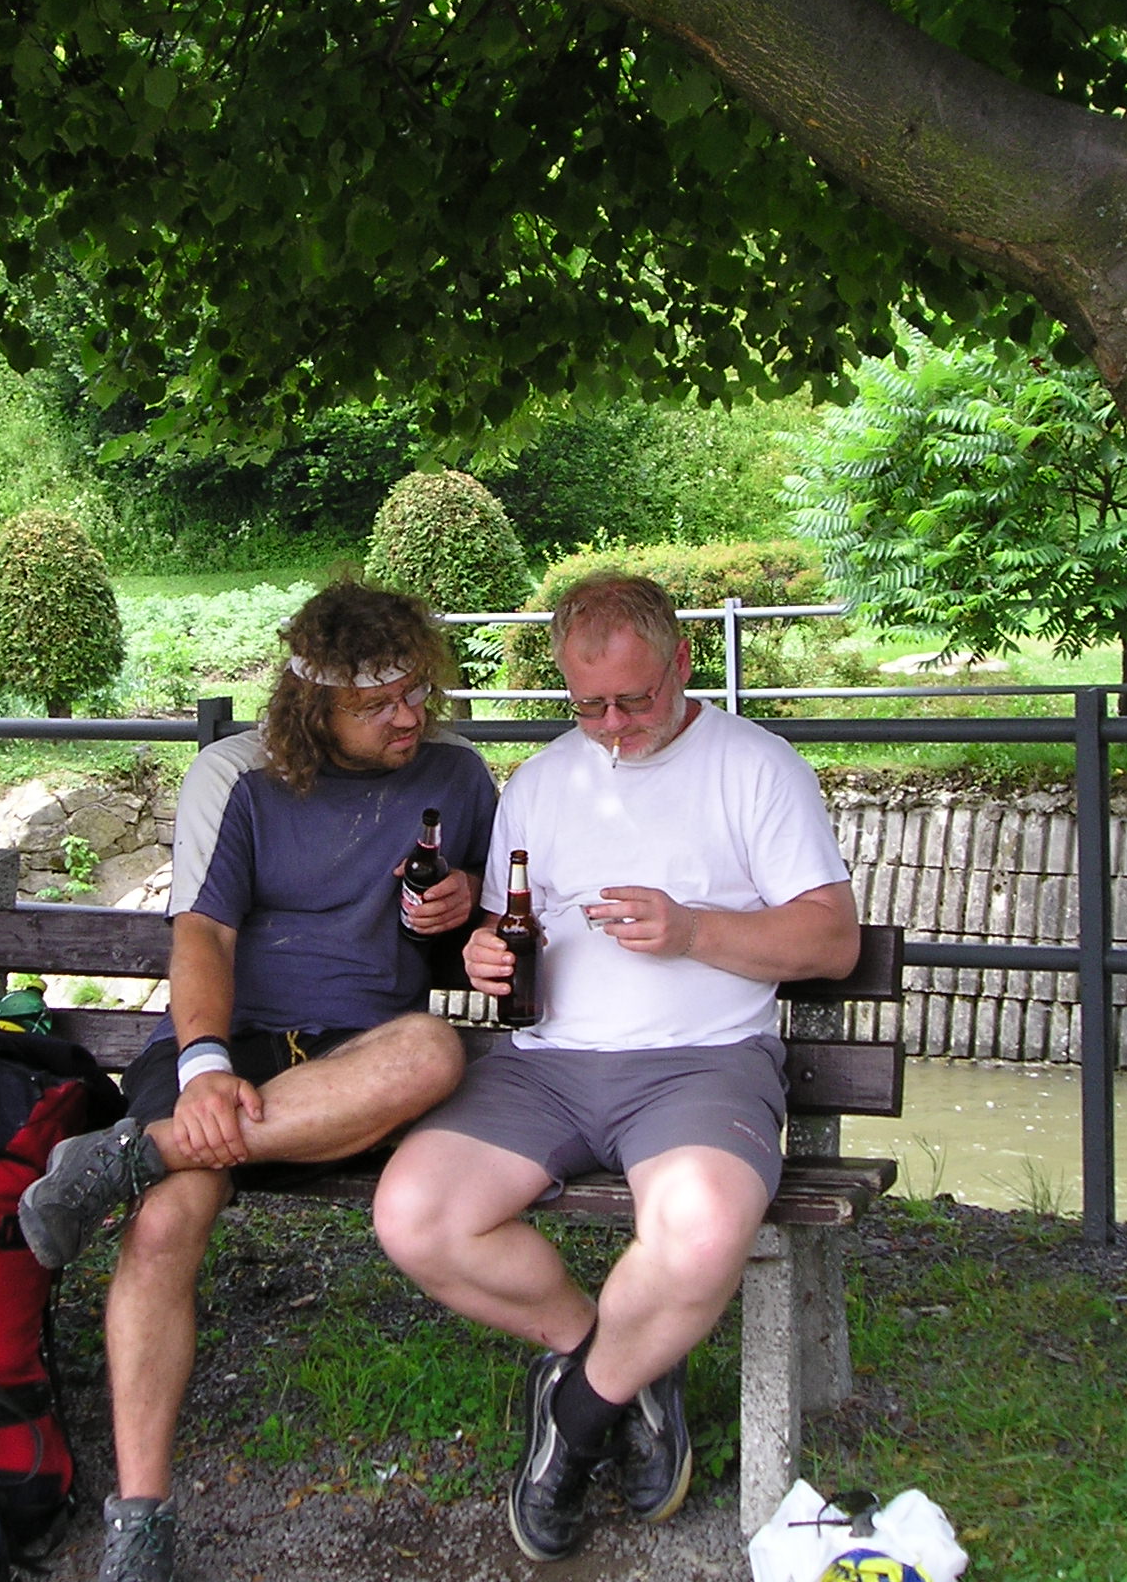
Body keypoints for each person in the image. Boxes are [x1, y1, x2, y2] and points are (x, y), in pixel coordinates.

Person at [373, 571, 859, 1563]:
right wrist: (485, 953)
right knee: (415, 1216)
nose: (611, 727)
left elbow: (832, 939)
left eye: (633, 700)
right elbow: (507, 928)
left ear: (682, 660)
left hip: (700, 1065)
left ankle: (577, 1413)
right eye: (586, 704)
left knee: (700, 1230)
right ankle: (627, 1359)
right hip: (545, 1066)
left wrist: (692, 930)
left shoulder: (754, 767)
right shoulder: (543, 782)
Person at [18, 581, 497, 1582]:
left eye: (417, 691)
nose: (408, 716)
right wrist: (202, 1070)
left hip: (359, 1056)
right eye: (376, 704)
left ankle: (130, 1155)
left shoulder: (457, 777)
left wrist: (467, 907)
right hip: (227, 1043)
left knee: (433, 1050)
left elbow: (499, 928)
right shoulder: (235, 773)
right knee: (165, 1222)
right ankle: (139, 1519)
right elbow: (202, 933)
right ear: (312, 706)